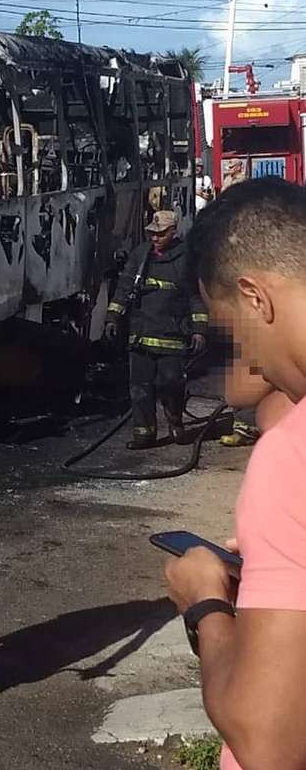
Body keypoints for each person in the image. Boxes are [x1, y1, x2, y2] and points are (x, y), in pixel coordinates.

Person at [164, 177, 306, 770]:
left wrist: (205, 605)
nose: (246, 358)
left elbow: (270, 746)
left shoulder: (291, 456)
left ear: (255, 296)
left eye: (234, 332)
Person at [105, 209, 208, 450]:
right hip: (140, 333)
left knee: (171, 382)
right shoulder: (141, 256)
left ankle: (175, 422)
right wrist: (112, 317)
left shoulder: (186, 259)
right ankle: (144, 434)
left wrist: (199, 329)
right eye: (152, 233)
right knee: (140, 386)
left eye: (160, 234)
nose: (155, 238)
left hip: (172, 335)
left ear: (174, 232)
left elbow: (196, 297)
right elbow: (124, 288)